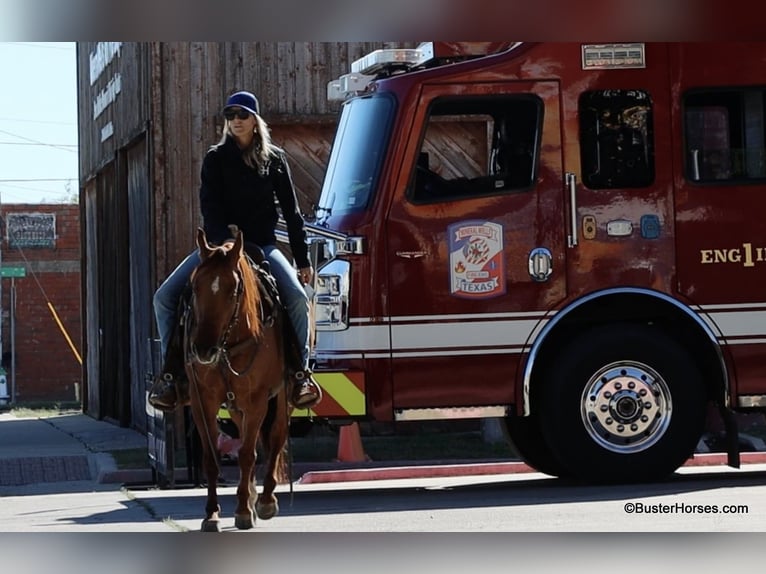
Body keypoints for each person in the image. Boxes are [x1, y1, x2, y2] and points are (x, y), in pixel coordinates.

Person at [148, 90, 322, 412]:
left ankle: (301, 375)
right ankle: (172, 377)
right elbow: (209, 207)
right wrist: (219, 246)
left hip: (263, 247)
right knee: (164, 297)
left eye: (242, 115)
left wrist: (302, 260)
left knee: (297, 298)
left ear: (255, 120)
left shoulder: (275, 160)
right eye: (230, 115)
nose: (236, 121)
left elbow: (292, 212)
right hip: (218, 248)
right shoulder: (215, 159)